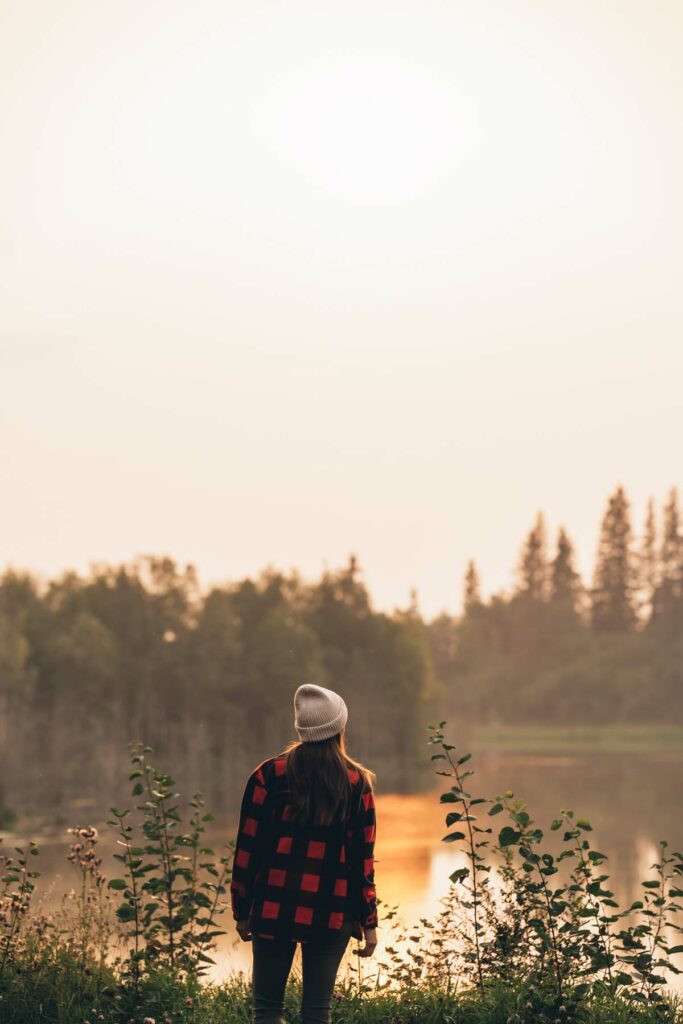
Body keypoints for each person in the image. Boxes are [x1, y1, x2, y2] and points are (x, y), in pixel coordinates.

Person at [230, 683, 378, 1024]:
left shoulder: (267, 776)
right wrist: (368, 921)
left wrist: (242, 909)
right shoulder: (357, 783)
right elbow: (362, 863)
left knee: (266, 1010)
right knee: (317, 1013)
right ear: (339, 727)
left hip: (272, 905)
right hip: (332, 908)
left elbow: (247, 851)